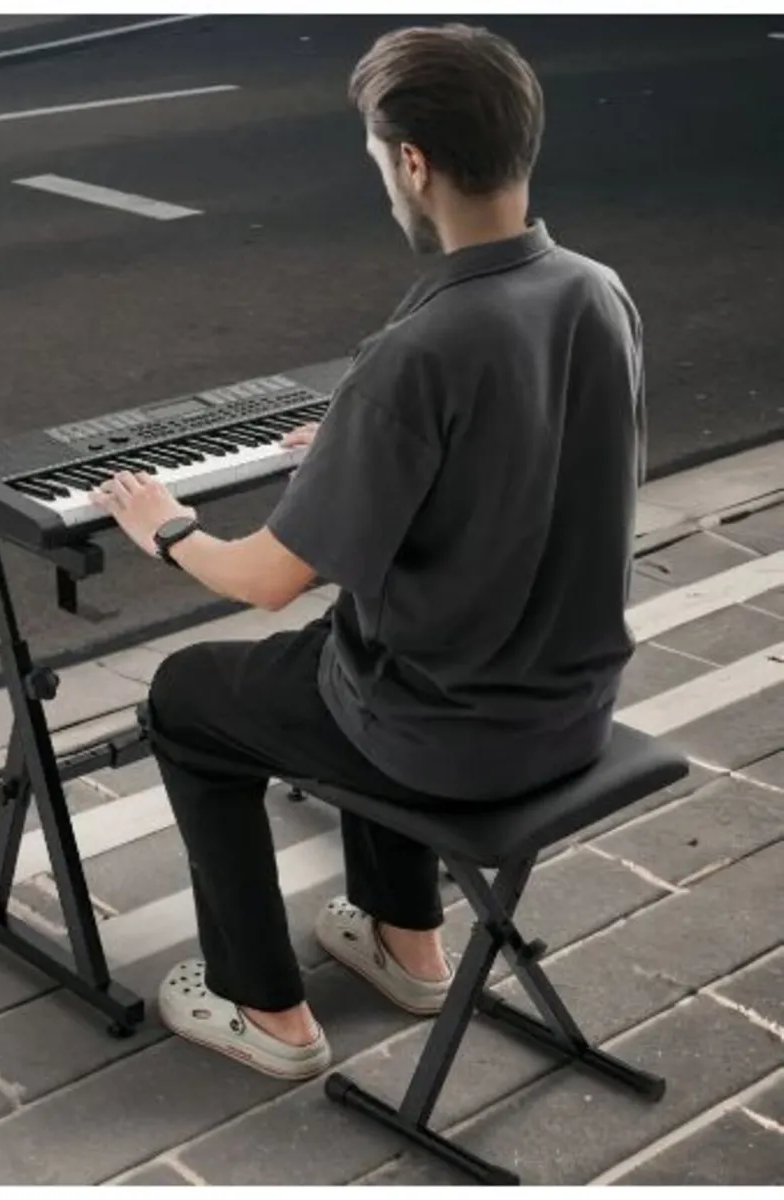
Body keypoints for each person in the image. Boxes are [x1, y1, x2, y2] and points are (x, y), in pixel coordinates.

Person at [90, 22, 645, 1080]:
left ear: (412, 163)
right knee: (347, 651)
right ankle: (407, 943)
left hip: (450, 735)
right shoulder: (593, 291)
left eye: (374, 157)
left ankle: (264, 1009)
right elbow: (538, 451)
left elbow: (262, 580)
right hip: (569, 709)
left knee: (191, 694)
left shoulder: (418, 350)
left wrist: (162, 526)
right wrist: (356, 447)